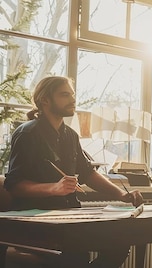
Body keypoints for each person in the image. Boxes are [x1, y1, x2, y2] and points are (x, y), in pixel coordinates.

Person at [3, 76, 144, 267]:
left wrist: (121, 195)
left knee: (119, 242)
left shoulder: (71, 135)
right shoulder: (27, 133)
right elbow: (14, 185)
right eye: (64, 94)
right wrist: (54, 188)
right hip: (36, 221)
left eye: (72, 94)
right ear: (45, 100)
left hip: (69, 216)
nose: (72, 99)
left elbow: (87, 173)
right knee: (74, 257)